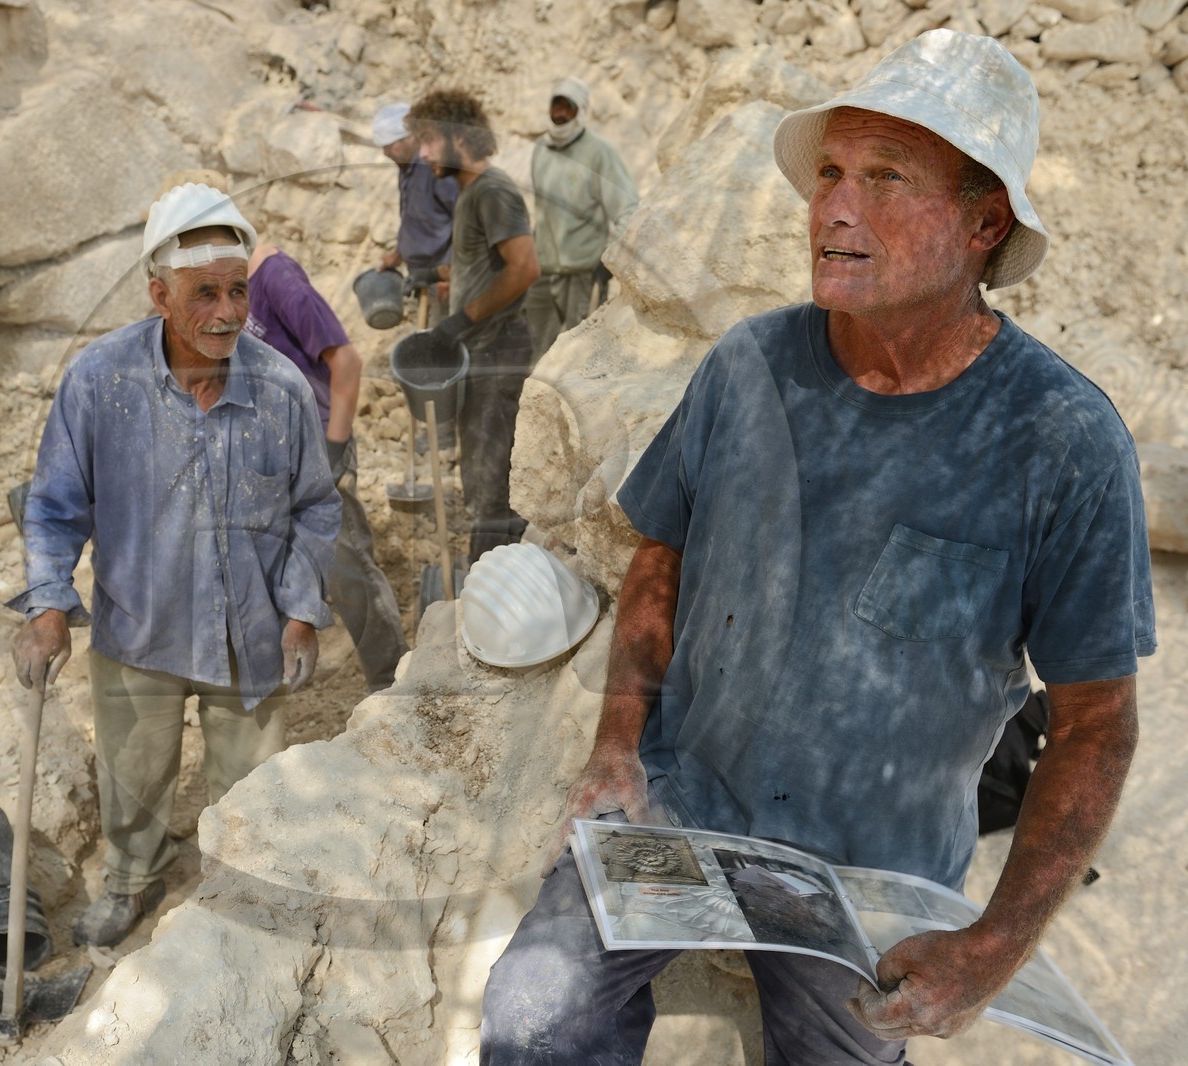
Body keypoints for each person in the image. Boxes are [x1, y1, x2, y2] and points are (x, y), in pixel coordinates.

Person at [481, 30, 1154, 1064]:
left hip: (870, 877)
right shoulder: (747, 366)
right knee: (532, 1017)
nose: (834, 207)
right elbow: (658, 558)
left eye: (884, 178)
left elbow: (1097, 725)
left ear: (984, 223)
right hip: (686, 804)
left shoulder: (1060, 443)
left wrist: (993, 946)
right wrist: (618, 740)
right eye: (830, 172)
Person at [7, 183, 341, 948]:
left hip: (248, 636)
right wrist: (48, 607)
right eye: (204, 295)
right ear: (159, 294)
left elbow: (316, 508)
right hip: (139, 630)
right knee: (133, 777)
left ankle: (242, 894)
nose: (228, 313)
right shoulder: (99, 381)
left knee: (253, 791)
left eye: (237, 292)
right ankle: (132, 878)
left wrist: (298, 612)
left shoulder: (282, 389)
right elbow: (55, 506)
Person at [245, 242, 409, 692]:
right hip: (271, 450)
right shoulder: (231, 286)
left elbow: (348, 362)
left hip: (316, 440)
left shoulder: (278, 280)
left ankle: (393, 685)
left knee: (346, 566)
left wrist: (333, 448)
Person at [406, 89, 541, 562]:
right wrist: (442, 276)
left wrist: (462, 319)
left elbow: (523, 268)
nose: (421, 154)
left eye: (426, 140)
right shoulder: (469, 194)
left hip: (498, 351)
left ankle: (498, 589)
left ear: (458, 136)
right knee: (480, 477)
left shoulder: (492, 190)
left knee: (491, 486)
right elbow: (485, 265)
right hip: (481, 351)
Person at [524, 76, 639, 361]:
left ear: (581, 112)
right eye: (557, 106)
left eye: (569, 108)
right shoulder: (541, 149)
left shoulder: (600, 152)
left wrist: (609, 261)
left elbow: (629, 210)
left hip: (583, 275)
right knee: (539, 355)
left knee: (577, 357)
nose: (561, 114)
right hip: (543, 272)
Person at [373, 101, 460, 326]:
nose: (385, 153)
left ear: (409, 137)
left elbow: (464, 221)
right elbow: (415, 219)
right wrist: (398, 254)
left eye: (390, 146)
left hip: (444, 279)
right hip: (422, 276)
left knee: (443, 345)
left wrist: (451, 274)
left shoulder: (435, 168)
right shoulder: (405, 169)